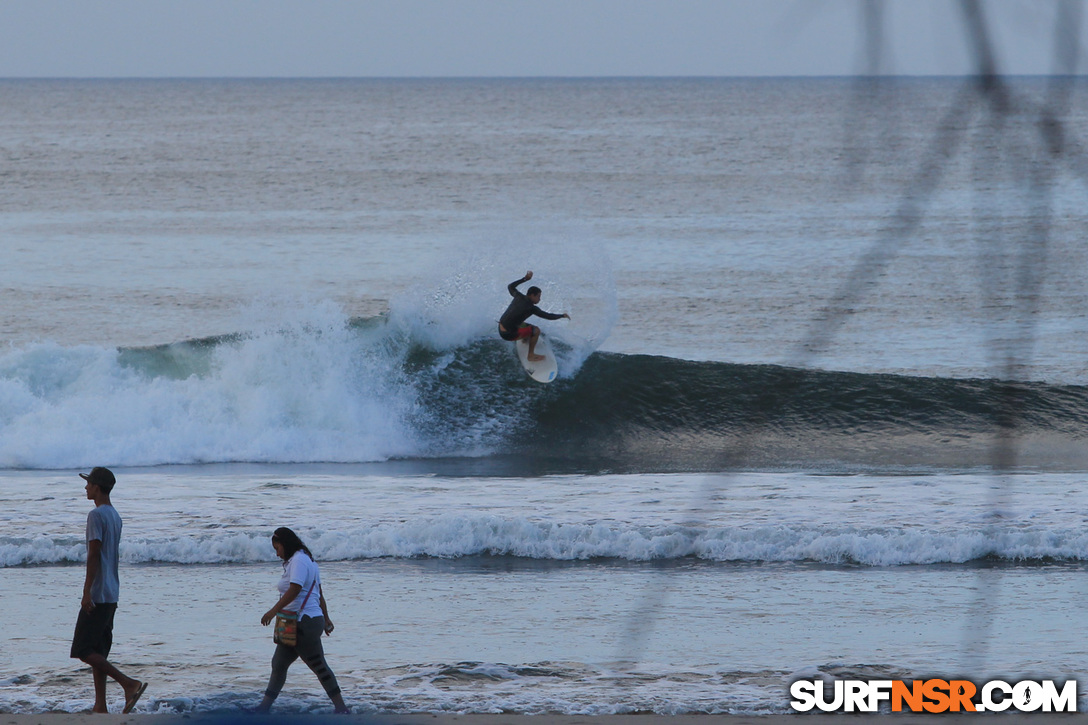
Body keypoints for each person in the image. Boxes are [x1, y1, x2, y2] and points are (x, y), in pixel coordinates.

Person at [70, 466, 147, 714]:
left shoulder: (96, 516)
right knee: (98, 650)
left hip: (99, 592)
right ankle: (100, 705)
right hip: (112, 591)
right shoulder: (115, 515)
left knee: (82, 649)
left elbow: (93, 554)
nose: (86, 487)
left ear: (98, 487)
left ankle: (129, 683)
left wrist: (86, 592)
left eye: (89, 483)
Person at [257, 527, 349, 714]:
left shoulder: (299, 560)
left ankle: (342, 709)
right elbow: (318, 593)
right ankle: (262, 709)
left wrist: (272, 611)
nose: (277, 553)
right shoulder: (306, 560)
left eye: (277, 548)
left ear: (285, 544)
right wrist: (326, 618)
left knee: (318, 666)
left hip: (303, 622)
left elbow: (295, 589)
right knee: (279, 664)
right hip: (298, 621)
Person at [498, 270, 570, 361]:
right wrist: (561, 315)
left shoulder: (518, 296)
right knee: (536, 330)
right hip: (508, 334)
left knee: (522, 322)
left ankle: (524, 338)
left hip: (500, 327)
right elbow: (548, 316)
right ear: (532, 295)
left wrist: (525, 279)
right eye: (538, 296)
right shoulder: (531, 308)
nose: (539, 299)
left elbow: (510, 286)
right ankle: (531, 355)